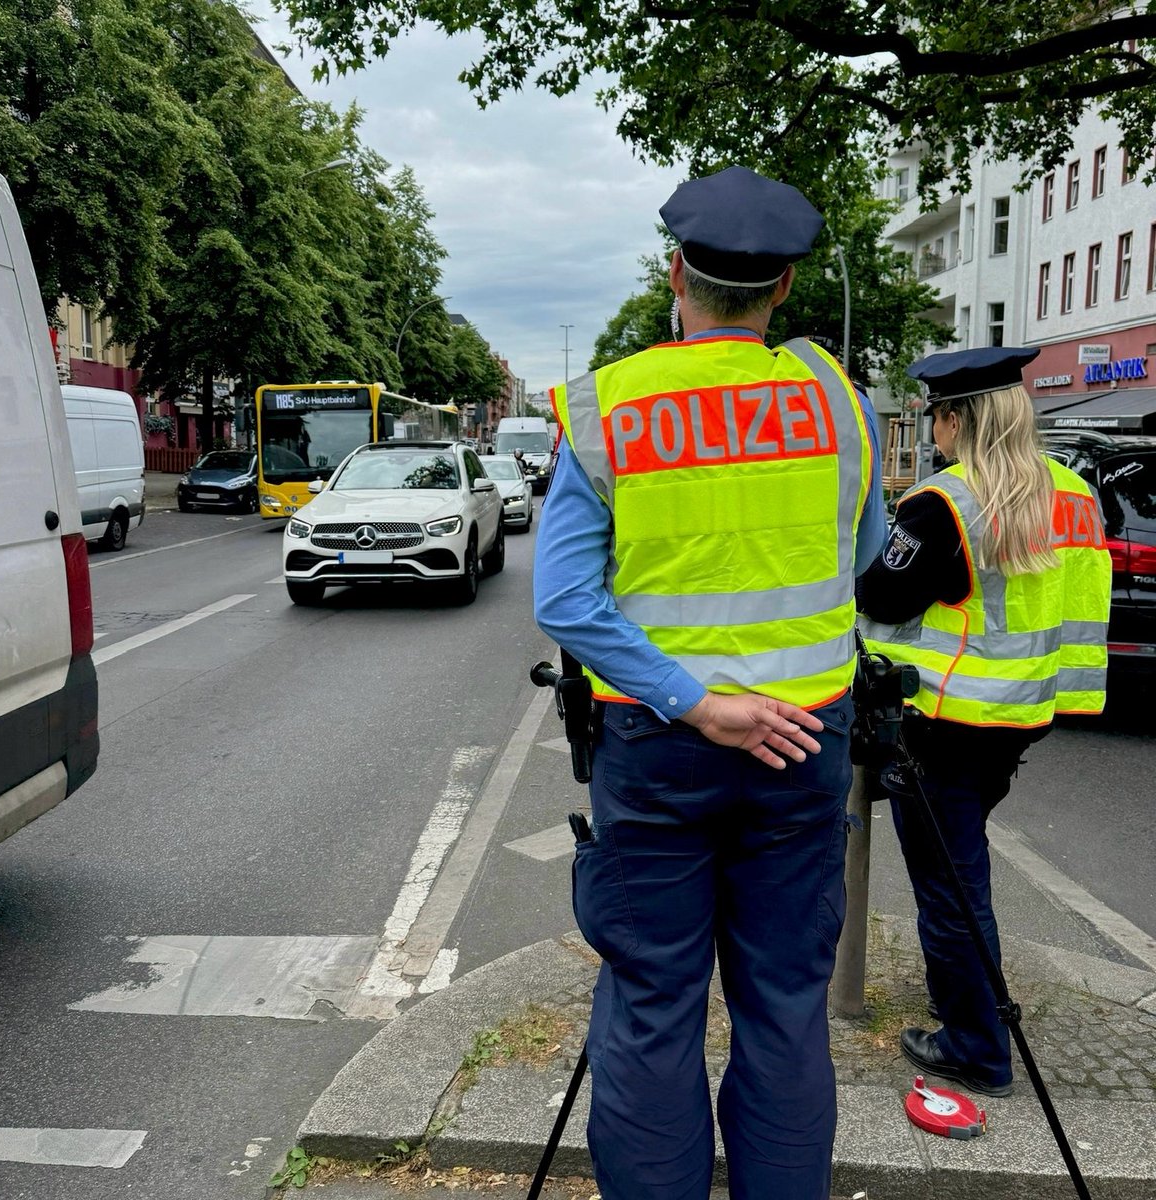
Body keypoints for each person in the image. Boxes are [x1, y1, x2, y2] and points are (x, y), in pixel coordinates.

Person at [534, 165, 886, 1200]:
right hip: (803, 741)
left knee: (652, 1003)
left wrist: (695, 701)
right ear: (782, 289)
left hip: (660, 750)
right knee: (783, 1006)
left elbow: (567, 603)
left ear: (674, 273)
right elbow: (855, 555)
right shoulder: (841, 405)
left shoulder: (606, 408)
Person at [858, 346, 1111, 1097]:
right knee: (961, 871)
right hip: (1019, 718)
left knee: (951, 886)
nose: (933, 427)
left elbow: (881, 595)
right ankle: (965, 995)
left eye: (937, 413)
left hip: (941, 725)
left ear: (956, 418)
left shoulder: (945, 503)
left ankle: (976, 1047)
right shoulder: (1073, 493)